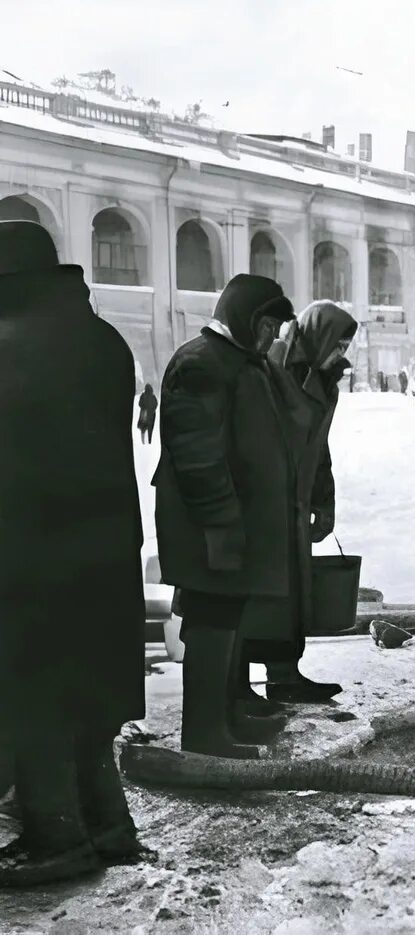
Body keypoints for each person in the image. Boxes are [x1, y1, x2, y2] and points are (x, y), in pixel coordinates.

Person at [0, 221, 149, 885]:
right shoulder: (103, 339)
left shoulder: (10, 345)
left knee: (31, 700)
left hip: (28, 558)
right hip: (107, 551)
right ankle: (110, 828)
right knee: (89, 700)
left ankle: (54, 836)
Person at [154, 274, 296, 760]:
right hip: (209, 524)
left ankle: (225, 718)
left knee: (227, 618)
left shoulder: (239, 362)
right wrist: (219, 522)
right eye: (268, 324)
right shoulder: (201, 362)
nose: (273, 336)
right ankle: (203, 734)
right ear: (244, 317)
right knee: (211, 623)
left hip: (233, 521)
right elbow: (196, 456)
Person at [246, 300, 358, 703]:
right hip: (264, 497)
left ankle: (285, 675)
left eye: (346, 346)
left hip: (295, 497)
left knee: (292, 592)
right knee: (258, 590)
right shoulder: (271, 366)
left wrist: (324, 501)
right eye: (338, 343)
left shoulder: (326, 380)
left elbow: (319, 446)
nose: (341, 353)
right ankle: (239, 684)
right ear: (318, 335)